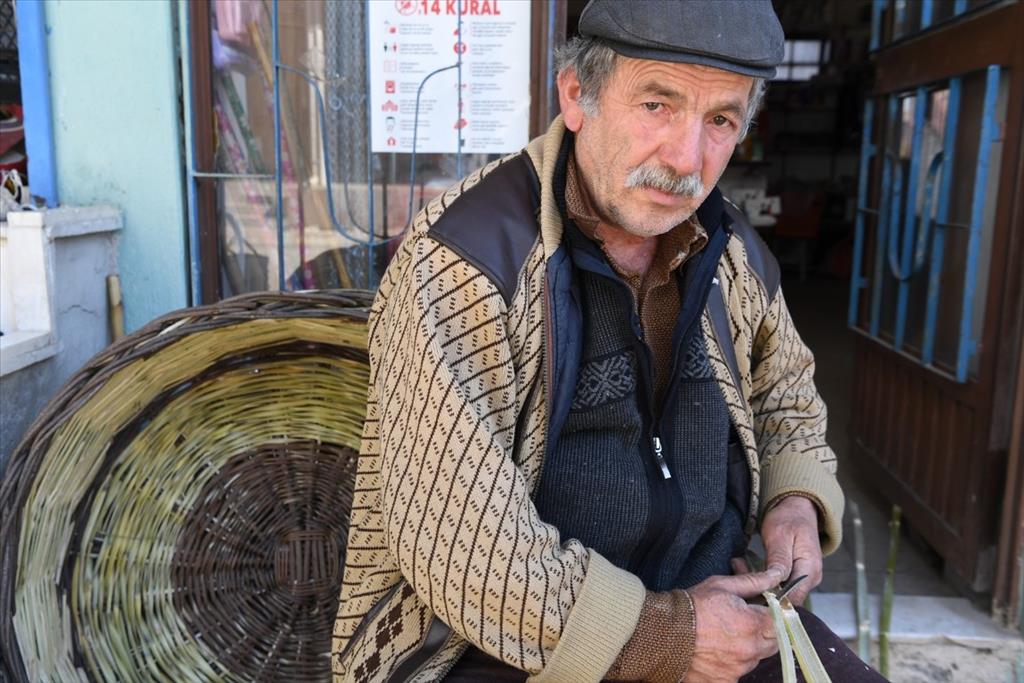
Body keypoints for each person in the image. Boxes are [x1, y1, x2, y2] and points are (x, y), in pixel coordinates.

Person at [333, 1, 883, 681]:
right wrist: (670, 634)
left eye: (720, 121)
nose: (686, 159)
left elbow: (786, 391)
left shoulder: (730, 246)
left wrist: (794, 499)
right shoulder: (467, 258)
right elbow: (458, 547)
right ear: (575, 96)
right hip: (496, 643)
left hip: (711, 602)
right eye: (656, 105)